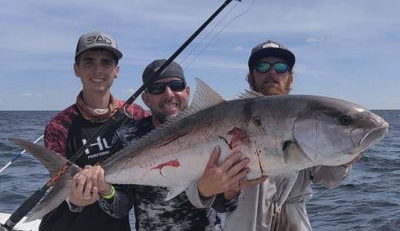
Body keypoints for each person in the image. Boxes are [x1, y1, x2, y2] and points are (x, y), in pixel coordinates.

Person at [76, 59, 264, 230]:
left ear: (187, 92)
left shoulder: (220, 131)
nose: (169, 94)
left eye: (176, 85)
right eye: (157, 88)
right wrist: (106, 191)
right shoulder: (129, 136)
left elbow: (225, 205)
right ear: (146, 98)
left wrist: (230, 190)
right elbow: (121, 208)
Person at [225, 40, 358, 231]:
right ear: (250, 78)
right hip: (242, 220)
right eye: (262, 67)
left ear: (290, 78)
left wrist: (344, 159)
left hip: (293, 222)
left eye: (281, 67)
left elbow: (328, 178)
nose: (272, 73)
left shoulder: (308, 121)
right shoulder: (227, 120)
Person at [40, 31, 148, 231]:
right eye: (89, 62)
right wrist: (76, 199)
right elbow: (59, 187)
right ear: (76, 69)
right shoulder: (59, 126)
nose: (98, 70)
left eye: (106, 63)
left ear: (117, 70)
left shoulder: (136, 115)